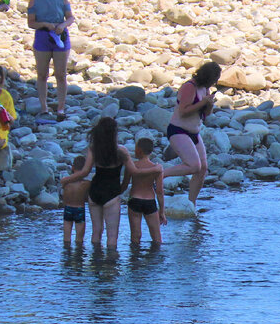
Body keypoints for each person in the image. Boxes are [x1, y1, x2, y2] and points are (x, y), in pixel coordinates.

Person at [60, 117, 159, 251]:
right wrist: (156, 169)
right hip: (111, 193)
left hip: (95, 191)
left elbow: (84, 172)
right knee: (112, 237)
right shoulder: (121, 150)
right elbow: (134, 172)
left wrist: (67, 179)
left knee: (96, 232)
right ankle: (110, 267)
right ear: (114, 133)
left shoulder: (94, 149)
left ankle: (96, 263)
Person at [162, 61, 219, 206]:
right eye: (213, 80)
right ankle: (161, 174)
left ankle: (191, 203)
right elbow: (183, 111)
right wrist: (202, 103)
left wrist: (209, 105)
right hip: (178, 130)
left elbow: (205, 114)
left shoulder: (205, 89)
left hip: (194, 132)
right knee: (194, 165)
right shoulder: (189, 87)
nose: (213, 83)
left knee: (202, 168)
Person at [26, 0, 75, 122]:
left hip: (60, 35)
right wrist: (44, 24)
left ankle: (61, 107)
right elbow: (31, 22)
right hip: (43, 36)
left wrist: (63, 25)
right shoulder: (34, 1)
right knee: (42, 73)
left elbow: (70, 17)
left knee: (60, 74)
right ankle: (43, 107)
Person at [125, 137, 166, 247]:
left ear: (138, 150)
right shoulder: (157, 168)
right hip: (150, 201)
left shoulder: (133, 165)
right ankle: (155, 262)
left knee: (135, 236)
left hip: (134, 200)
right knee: (157, 237)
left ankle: (134, 261)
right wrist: (162, 211)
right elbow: (160, 191)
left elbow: (124, 184)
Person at [61, 154, 90, 248]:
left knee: (66, 239)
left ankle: (66, 255)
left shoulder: (66, 182)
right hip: (79, 209)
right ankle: (78, 257)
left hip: (68, 209)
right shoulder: (86, 183)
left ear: (73, 167)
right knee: (79, 240)